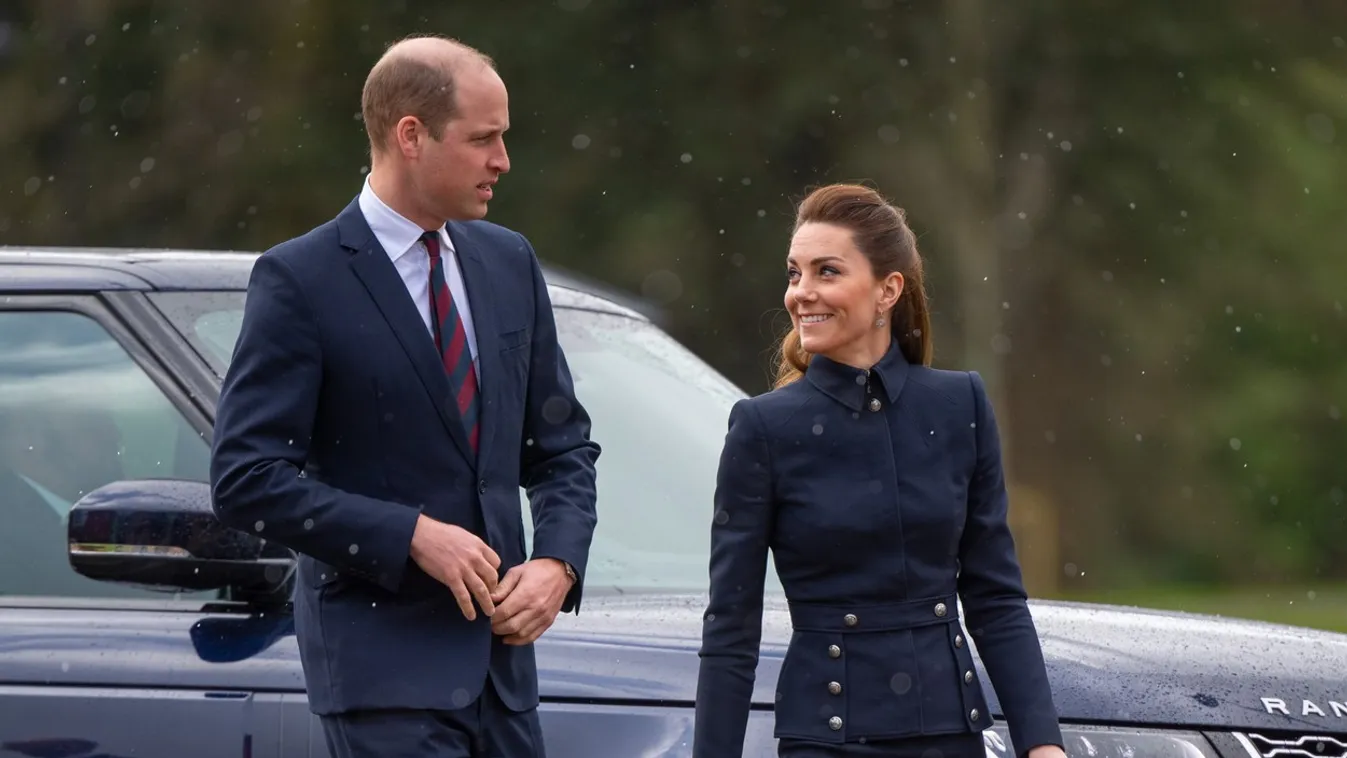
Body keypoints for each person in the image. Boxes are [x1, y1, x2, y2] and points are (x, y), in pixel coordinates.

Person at [209, 34, 600, 758]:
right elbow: (246, 479)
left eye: (503, 137)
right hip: (381, 682)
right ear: (411, 136)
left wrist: (558, 564)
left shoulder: (508, 261)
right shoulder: (300, 280)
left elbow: (561, 449)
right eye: (482, 139)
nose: (502, 161)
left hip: (504, 682)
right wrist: (411, 535)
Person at [693, 183, 1066, 758]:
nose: (801, 293)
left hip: (951, 737)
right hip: (826, 740)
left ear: (888, 290)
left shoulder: (959, 405)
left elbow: (995, 598)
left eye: (827, 271)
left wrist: (1042, 744)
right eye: (794, 273)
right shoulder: (763, 428)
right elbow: (730, 627)